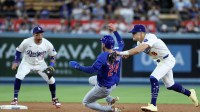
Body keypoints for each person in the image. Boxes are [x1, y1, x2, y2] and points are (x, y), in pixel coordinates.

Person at [117, 24, 199, 112]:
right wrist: (128, 54)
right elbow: (137, 50)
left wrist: (121, 53)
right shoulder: (139, 42)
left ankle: (153, 105)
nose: (132, 34)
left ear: (141, 33)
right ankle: (190, 93)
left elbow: (138, 49)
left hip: (167, 60)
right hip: (160, 62)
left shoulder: (150, 37)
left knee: (153, 77)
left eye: (134, 33)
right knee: (170, 85)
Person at [69, 23, 124, 112]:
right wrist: (115, 30)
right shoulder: (118, 51)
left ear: (104, 45)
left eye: (102, 43)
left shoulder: (102, 57)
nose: (101, 44)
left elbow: (91, 70)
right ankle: (109, 99)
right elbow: (121, 42)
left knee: (86, 102)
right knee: (91, 80)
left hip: (103, 88)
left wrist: (78, 66)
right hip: (113, 82)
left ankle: (109, 109)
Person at [11, 26, 61, 108]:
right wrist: (16, 61)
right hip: (27, 63)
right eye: (38, 34)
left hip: (41, 64)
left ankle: (54, 99)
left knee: (51, 80)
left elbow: (53, 56)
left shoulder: (47, 43)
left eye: (41, 33)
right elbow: (18, 50)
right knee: (19, 76)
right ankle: (15, 98)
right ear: (34, 34)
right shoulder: (26, 42)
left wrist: (51, 66)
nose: (40, 35)